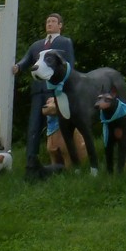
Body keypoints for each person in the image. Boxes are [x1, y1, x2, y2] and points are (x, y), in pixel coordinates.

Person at [13, 12, 74, 166]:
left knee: (59, 124)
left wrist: (64, 87)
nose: (49, 24)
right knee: (34, 126)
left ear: (60, 25)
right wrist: (18, 66)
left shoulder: (65, 42)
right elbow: (27, 59)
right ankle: (31, 161)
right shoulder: (37, 45)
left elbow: (69, 66)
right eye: (48, 21)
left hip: (55, 91)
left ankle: (65, 158)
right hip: (38, 91)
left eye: (53, 21)